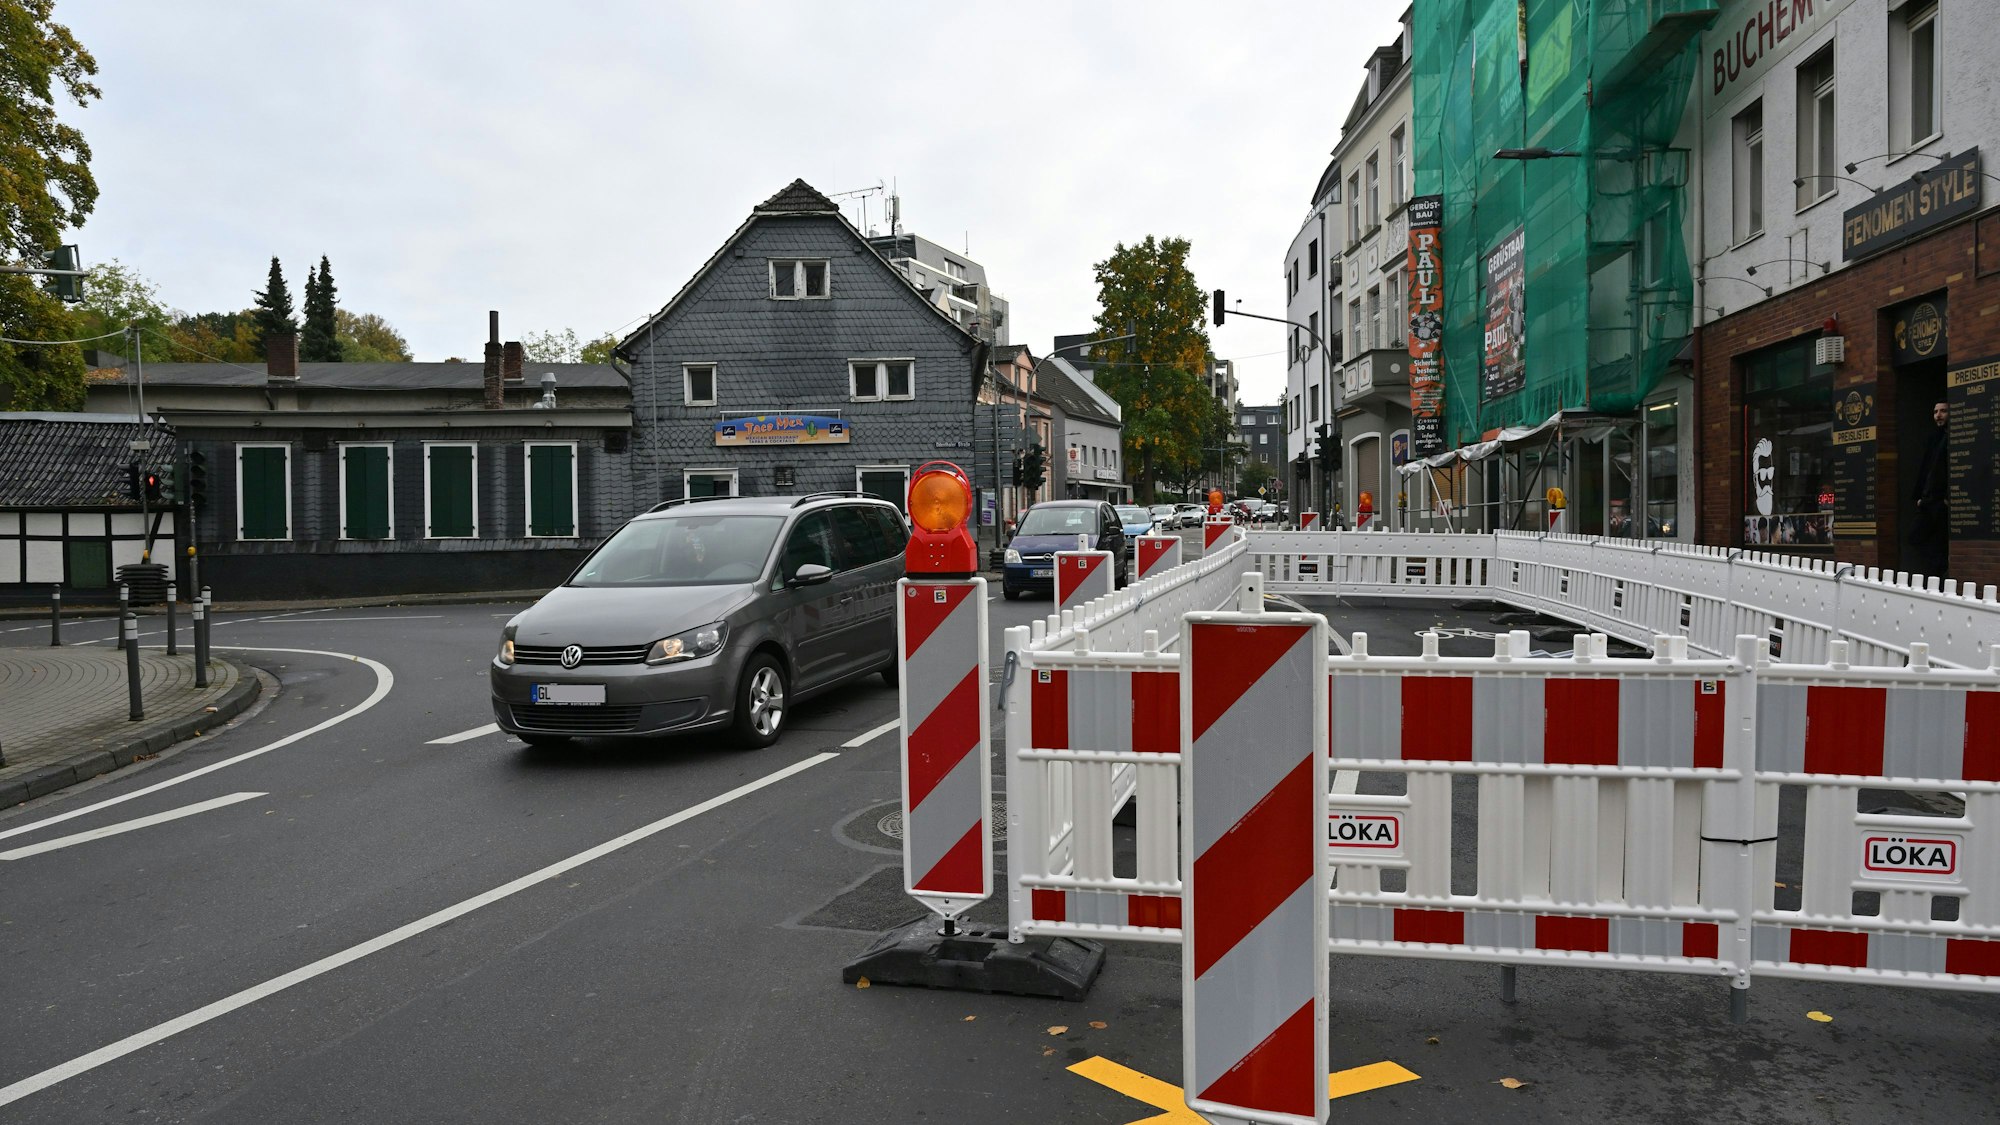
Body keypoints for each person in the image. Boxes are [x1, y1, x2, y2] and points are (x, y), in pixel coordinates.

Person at [1909, 400, 1951, 579]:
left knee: (1938, 539)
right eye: (1935, 412)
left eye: (1943, 411)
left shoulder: (1950, 437)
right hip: (1928, 500)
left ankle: (1941, 570)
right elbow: (1926, 469)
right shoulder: (1934, 438)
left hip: (1940, 500)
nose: (1938, 415)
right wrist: (1919, 496)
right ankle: (1941, 567)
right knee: (1916, 536)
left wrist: (1947, 497)